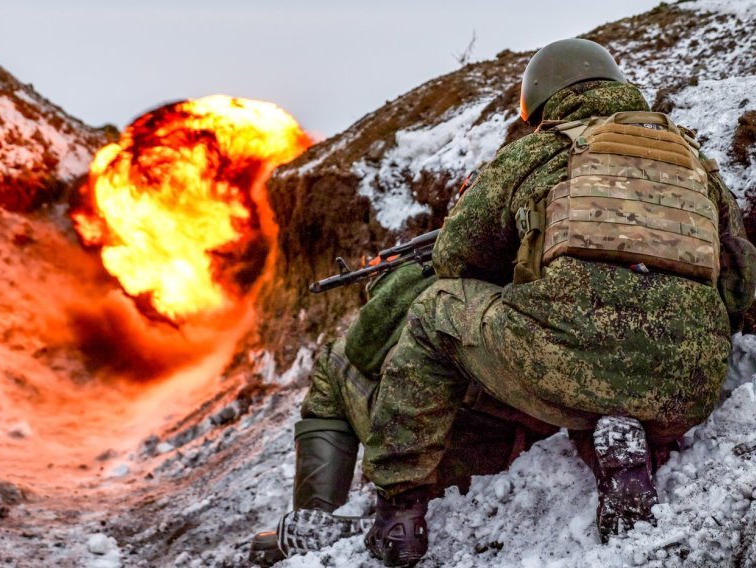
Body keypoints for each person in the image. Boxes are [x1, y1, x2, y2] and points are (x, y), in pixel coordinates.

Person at [362, 38, 756, 567]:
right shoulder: (695, 161)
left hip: (567, 363)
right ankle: (623, 444)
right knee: (603, 367)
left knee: (437, 312)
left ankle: (398, 510)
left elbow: (456, 258)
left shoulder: (539, 150)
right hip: (687, 389)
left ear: (542, 103)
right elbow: (740, 284)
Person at [249, 264, 558, 566]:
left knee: (335, 360)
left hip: (455, 460)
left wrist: (410, 268)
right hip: (543, 442)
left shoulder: (493, 234)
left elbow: (363, 343)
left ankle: (316, 524)